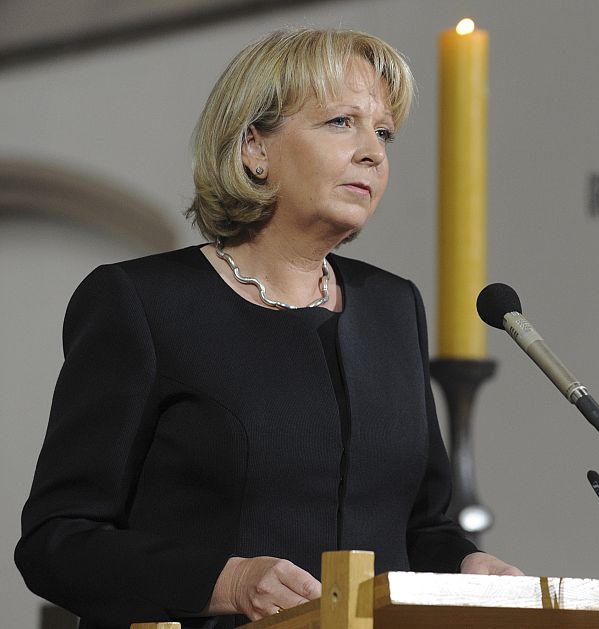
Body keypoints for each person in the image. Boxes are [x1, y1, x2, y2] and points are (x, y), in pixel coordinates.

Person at [15, 28, 522, 629]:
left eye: (384, 132)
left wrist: (466, 565)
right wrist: (223, 582)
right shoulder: (143, 303)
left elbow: (420, 526)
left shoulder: (391, 307)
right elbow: (57, 542)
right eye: (341, 122)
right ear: (254, 146)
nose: (373, 153)